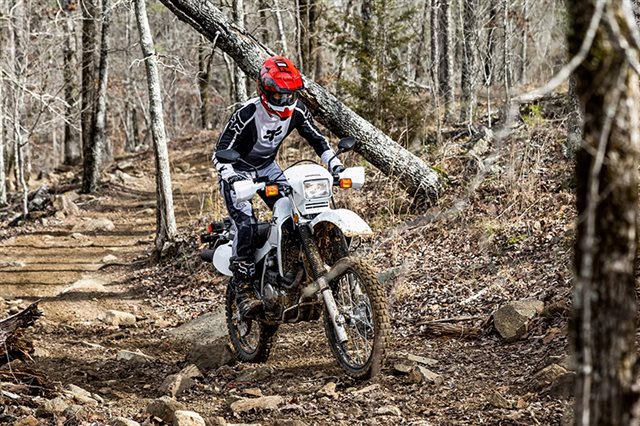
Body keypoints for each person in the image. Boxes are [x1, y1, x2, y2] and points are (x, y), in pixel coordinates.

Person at [213, 56, 344, 318]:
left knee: (297, 211)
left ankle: (293, 270)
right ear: (265, 91)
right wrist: (233, 177)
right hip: (238, 171)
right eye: (279, 96)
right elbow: (220, 152)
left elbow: (317, 139)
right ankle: (244, 287)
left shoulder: (295, 112)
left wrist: (335, 165)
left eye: (290, 95)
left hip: (268, 167)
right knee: (247, 223)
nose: (284, 102)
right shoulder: (248, 113)